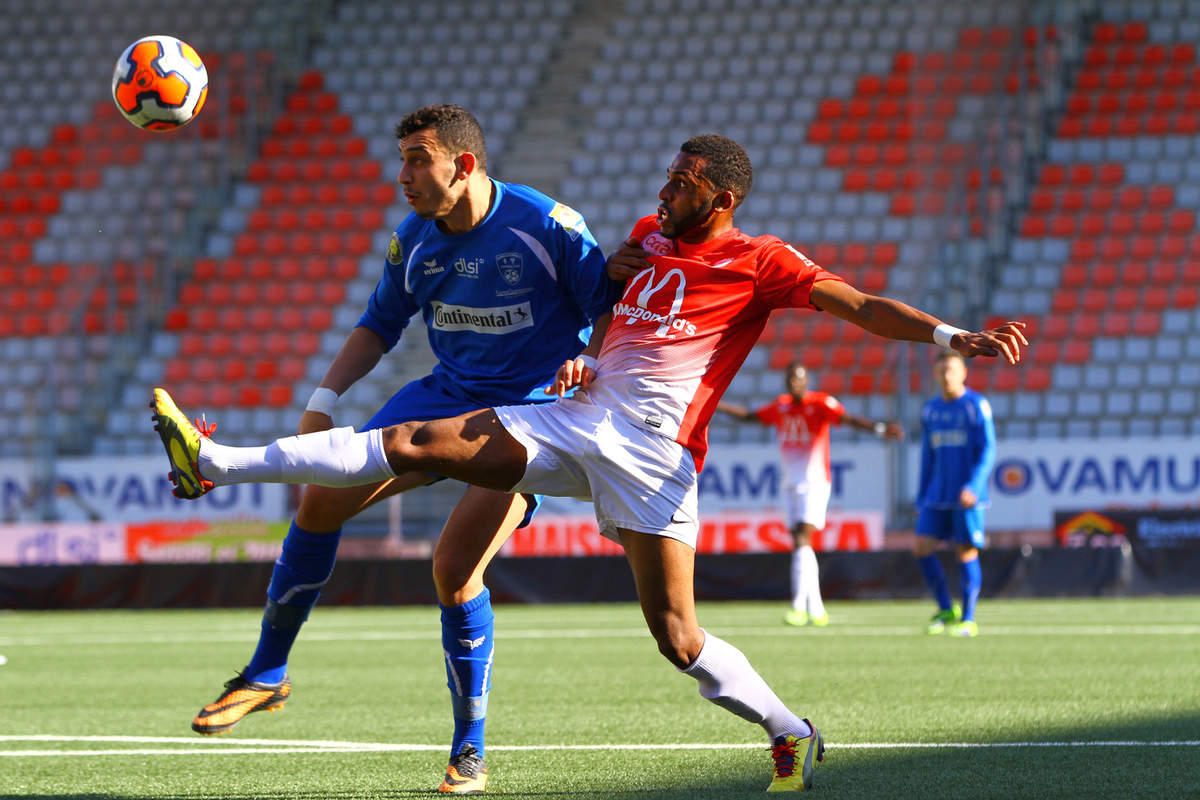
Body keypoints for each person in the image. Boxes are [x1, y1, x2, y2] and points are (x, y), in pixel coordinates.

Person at [152, 134, 1027, 791]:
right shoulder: (646, 236)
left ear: (720, 198)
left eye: (683, 181)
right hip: (572, 420)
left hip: (654, 456)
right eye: (668, 174)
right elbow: (611, 314)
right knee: (416, 440)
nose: (664, 188)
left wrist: (955, 337)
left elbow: (862, 305)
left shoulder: (759, 261)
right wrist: (589, 355)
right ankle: (216, 461)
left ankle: (789, 728)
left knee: (677, 638)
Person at [180, 104, 620, 794]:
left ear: (463, 165)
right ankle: (266, 674)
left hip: (531, 417)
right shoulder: (414, 238)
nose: (403, 176)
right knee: (320, 503)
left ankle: (469, 750)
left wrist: (588, 360)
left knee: (453, 571)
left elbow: (609, 307)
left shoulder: (547, 225)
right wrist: (323, 399)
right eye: (402, 160)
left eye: (418, 160)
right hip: (444, 396)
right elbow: (379, 324)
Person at [717, 364, 903, 627]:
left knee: (803, 538)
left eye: (800, 378)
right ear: (786, 382)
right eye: (791, 378)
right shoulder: (781, 406)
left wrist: (879, 429)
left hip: (814, 481)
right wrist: (718, 404)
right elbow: (749, 416)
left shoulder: (820, 403)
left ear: (807, 381)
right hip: (789, 483)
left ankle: (798, 607)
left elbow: (849, 419)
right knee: (800, 542)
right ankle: (816, 609)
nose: (795, 383)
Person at [913, 350, 996, 638]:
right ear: (935, 375)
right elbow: (927, 457)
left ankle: (969, 619)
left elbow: (988, 450)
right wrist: (921, 495)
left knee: (965, 550)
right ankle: (946, 609)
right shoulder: (931, 410)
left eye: (952, 370)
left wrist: (974, 485)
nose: (947, 376)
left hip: (967, 494)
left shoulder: (976, 405)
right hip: (937, 493)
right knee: (922, 547)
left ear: (964, 373)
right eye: (942, 371)